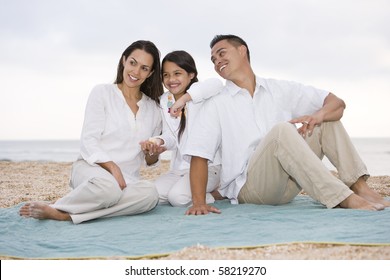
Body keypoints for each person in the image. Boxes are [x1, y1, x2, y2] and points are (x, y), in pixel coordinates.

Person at [183, 34, 389, 215]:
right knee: (282, 130)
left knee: (326, 122)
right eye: (213, 59)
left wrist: (318, 116)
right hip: (251, 189)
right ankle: (341, 197)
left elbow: (337, 104)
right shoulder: (217, 103)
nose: (217, 61)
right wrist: (199, 202)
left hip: (289, 186)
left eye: (221, 53)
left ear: (242, 50)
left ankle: (360, 187)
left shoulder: (279, 89)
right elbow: (200, 154)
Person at [19, 40, 164, 224]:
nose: (136, 72)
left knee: (150, 195)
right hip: (91, 169)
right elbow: (89, 141)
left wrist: (151, 153)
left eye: (144, 68)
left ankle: (69, 211)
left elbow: (150, 161)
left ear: (150, 73)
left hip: (127, 180)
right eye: (133, 63)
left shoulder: (153, 109)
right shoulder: (102, 93)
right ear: (123, 60)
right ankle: (65, 209)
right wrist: (112, 167)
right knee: (108, 189)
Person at [140, 50, 223, 207]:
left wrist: (184, 100)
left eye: (177, 73)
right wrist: (157, 142)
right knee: (153, 194)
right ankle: (201, 192)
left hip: (209, 167)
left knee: (178, 198)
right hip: (179, 168)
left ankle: (217, 194)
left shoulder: (200, 94)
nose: (171, 80)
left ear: (191, 74)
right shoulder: (165, 101)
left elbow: (217, 84)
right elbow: (171, 137)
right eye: (166, 75)